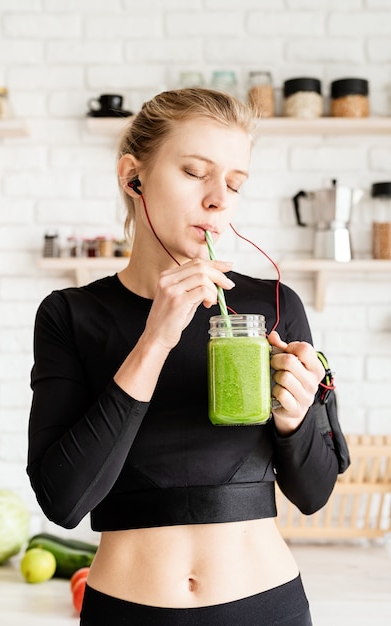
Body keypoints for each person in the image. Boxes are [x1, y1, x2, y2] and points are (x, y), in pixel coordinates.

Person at [27, 88, 339, 626]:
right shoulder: (70, 315)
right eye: (196, 171)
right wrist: (154, 341)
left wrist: (294, 419)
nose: (219, 198)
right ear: (134, 175)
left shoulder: (272, 306)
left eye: (235, 184)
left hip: (267, 608)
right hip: (126, 612)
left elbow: (314, 494)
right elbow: (63, 500)